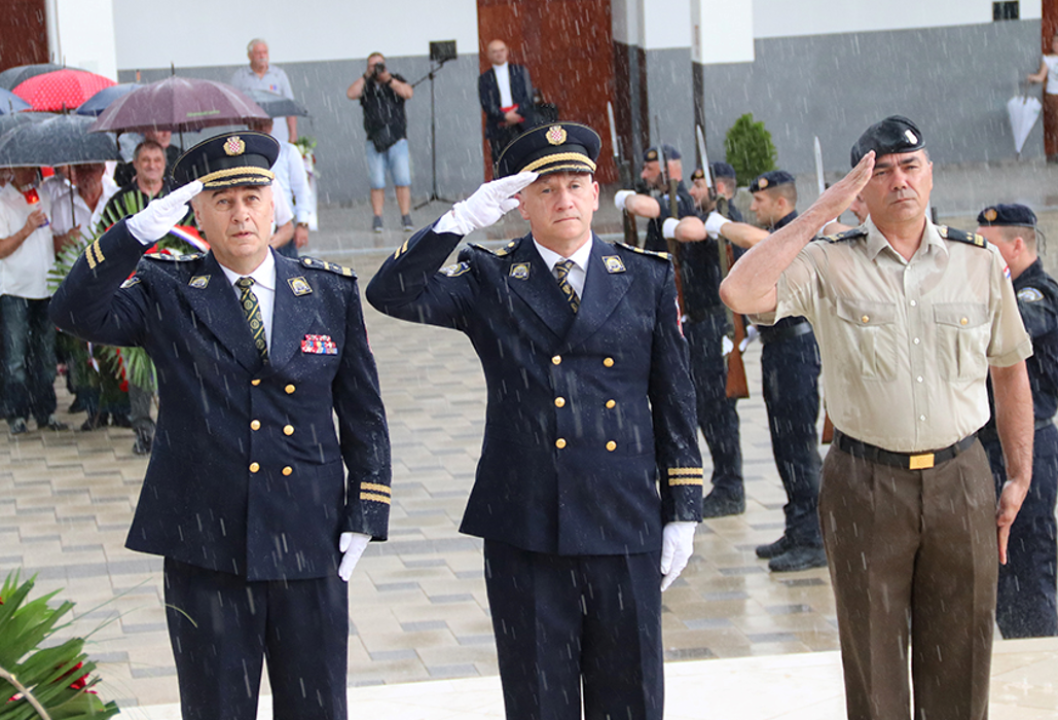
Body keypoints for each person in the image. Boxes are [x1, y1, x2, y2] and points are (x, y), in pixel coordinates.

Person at [50, 131, 391, 720]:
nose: (240, 214)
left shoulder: (327, 292)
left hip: (309, 540)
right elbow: (74, 311)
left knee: (316, 707)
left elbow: (364, 414)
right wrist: (133, 235)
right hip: (206, 545)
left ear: (273, 204)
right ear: (198, 214)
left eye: (252, 198)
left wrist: (366, 510)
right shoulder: (169, 290)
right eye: (223, 201)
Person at [366, 122, 702, 720]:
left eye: (574, 185)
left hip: (623, 517)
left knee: (631, 697)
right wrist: (459, 221)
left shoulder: (644, 276)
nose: (563, 199)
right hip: (526, 522)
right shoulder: (491, 277)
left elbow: (674, 397)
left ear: (595, 194)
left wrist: (684, 509)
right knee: (539, 700)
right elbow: (391, 293)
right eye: (545, 189)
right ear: (519, 203)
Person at [720, 115, 1034, 720]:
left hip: (961, 480)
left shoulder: (977, 262)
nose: (899, 182)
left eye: (910, 167)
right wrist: (820, 211)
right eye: (880, 173)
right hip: (864, 482)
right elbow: (741, 292)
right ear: (859, 190)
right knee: (874, 668)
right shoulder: (827, 261)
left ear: (930, 174)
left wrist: (1018, 473)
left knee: (962, 663)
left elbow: (1009, 368)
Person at [976, 203, 1058, 639]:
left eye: (988, 246)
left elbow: (1008, 334)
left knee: (1029, 564)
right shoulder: (1001, 295)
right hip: (991, 443)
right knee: (1003, 570)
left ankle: (1039, 661)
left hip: (1030, 445)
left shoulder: (1036, 294)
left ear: (1017, 245)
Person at [652, 166, 746, 529]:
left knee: (719, 410)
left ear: (718, 187)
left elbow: (692, 230)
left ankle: (731, 486)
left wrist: (670, 224)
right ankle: (724, 482)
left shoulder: (723, 217)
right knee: (706, 408)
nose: (692, 192)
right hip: (699, 325)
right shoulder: (710, 215)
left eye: (698, 185)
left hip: (714, 325)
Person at [0, 166, 67, 434]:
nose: (30, 172)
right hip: (15, 290)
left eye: (32, 167)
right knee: (16, 357)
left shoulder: (43, 196)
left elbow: (49, 239)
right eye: (24, 167)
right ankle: (16, 413)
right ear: (12, 168)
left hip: (46, 288)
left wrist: (66, 238)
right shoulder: (3, 200)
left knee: (45, 355)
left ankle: (45, 411)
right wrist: (26, 229)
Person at [346, 52, 414, 233]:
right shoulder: (366, 84)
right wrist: (366, 76)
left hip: (397, 138)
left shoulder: (395, 79)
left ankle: (405, 216)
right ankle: (377, 217)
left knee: (403, 179)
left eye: (379, 65)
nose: (377, 69)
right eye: (373, 65)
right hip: (374, 139)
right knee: (376, 181)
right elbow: (351, 93)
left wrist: (388, 80)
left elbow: (408, 92)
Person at [248, 116, 312, 257]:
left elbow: (301, 189)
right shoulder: (245, 155)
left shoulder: (288, 151)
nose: (262, 128)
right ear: (249, 125)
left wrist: (302, 223)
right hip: (253, 227)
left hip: (282, 226)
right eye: (257, 124)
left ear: (271, 125)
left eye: (265, 124)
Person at [615, 145, 695, 253]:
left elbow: (638, 206)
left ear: (666, 171)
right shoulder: (664, 196)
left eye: (649, 169)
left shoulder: (682, 200)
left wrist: (626, 198)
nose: (643, 175)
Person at [478, 39, 535, 167]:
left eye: (502, 50)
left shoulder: (520, 71)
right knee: (501, 162)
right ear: (489, 55)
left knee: (525, 161)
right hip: (498, 127)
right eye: (495, 51)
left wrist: (517, 113)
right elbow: (486, 103)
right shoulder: (485, 78)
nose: (499, 54)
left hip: (522, 124)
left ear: (507, 52)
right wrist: (504, 116)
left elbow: (529, 97)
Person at [231, 39, 297, 144]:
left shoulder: (279, 75)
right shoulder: (240, 76)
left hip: (279, 136)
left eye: (265, 52)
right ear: (250, 56)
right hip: (251, 135)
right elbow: (233, 105)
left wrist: (293, 134)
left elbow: (290, 107)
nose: (262, 56)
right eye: (258, 53)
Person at [1027, 32, 1058, 164]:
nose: (1056, 45)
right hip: (1053, 96)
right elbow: (1041, 77)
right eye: (1054, 42)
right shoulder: (1048, 59)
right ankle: (1055, 153)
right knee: (1055, 126)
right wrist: (1031, 77)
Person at [114, 129, 182, 187]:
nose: (165, 134)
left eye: (168, 129)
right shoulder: (127, 158)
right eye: (160, 129)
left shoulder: (180, 156)